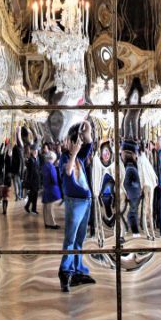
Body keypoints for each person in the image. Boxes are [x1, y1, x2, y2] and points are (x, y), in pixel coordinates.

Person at [58, 121, 95, 292]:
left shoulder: (79, 157)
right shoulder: (65, 159)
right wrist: (73, 153)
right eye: (74, 140)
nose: (77, 143)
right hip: (75, 203)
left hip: (85, 202)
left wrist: (86, 129)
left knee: (80, 239)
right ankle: (65, 272)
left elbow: (88, 143)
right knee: (70, 240)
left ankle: (77, 270)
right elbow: (68, 172)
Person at [120, 139, 142, 236]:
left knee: (131, 213)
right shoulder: (133, 167)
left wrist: (127, 193)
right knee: (132, 213)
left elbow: (127, 183)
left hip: (132, 193)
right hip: (134, 193)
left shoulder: (129, 168)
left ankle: (134, 232)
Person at [136, 142, 158, 239]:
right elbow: (153, 174)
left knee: (145, 210)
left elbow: (140, 175)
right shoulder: (146, 159)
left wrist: (140, 188)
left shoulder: (140, 160)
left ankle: (148, 234)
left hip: (145, 186)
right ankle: (152, 233)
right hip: (151, 186)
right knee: (150, 209)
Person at [41, 148, 62, 228]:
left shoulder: (44, 166)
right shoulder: (51, 167)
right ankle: (52, 223)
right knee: (50, 207)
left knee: (46, 207)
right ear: (52, 158)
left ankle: (46, 222)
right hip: (51, 188)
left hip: (46, 188)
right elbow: (54, 179)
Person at [23, 143, 40, 215]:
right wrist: (29, 183)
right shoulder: (31, 160)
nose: (36, 152)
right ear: (32, 151)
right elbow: (30, 172)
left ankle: (28, 207)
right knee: (33, 195)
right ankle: (33, 209)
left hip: (36, 180)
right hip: (32, 181)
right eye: (34, 150)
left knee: (33, 195)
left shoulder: (36, 159)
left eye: (37, 150)